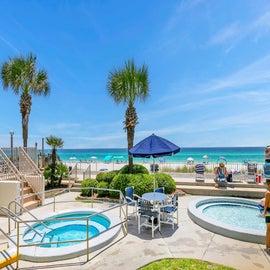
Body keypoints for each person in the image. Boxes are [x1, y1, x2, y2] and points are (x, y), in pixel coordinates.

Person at [263, 179, 270, 255]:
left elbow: (266, 204)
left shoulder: (268, 193)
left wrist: (264, 212)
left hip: (269, 211)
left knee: (268, 230)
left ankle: (267, 247)